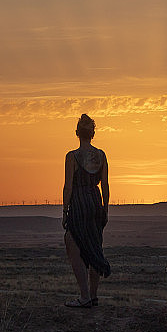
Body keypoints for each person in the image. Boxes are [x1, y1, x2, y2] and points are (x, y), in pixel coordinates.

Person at [62, 114, 111, 308]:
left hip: (79, 203)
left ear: (77, 133)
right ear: (93, 134)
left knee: (72, 243)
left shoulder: (72, 156)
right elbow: (105, 185)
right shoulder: (101, 155)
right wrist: (105, 209)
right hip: (95, 202)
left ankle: (84, 296)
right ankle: (93, 295)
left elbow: (68, 187)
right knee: (95, 246)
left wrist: (65, 211)